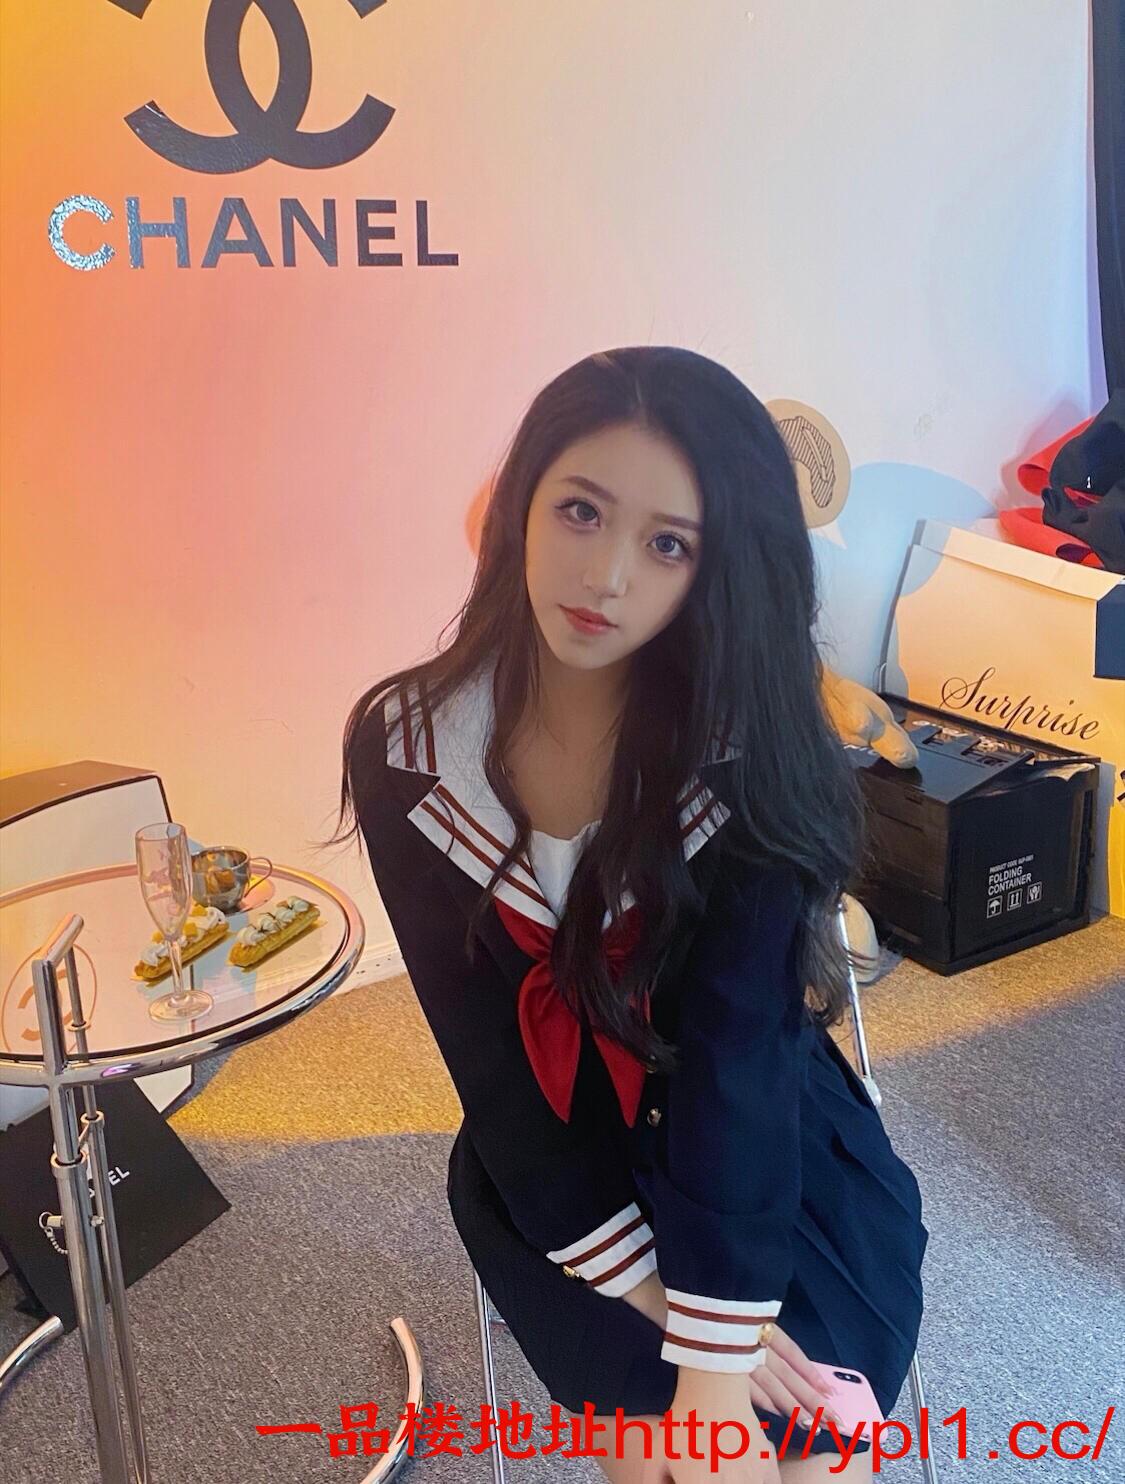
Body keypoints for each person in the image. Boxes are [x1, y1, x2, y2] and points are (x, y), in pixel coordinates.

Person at [326, 347, 928, 1481]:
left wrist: (720, 1354)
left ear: (717, 566)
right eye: (580, 511)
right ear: (520, 504)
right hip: (557, 1169)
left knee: (815, 1457)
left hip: (759, 1154)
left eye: (667, 544)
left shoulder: (749, 749)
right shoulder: (408, 749)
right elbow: (486, 1050)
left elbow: (739, 1053)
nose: (604, 576)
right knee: (665, 1461)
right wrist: (666, 1311)